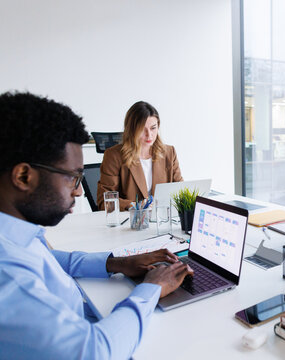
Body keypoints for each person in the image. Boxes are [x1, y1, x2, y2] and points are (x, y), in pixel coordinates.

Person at [0, 92, 194, 359]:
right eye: (73, 177)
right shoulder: (8, 276)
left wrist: (116, 262)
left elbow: (53, 260)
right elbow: (95, 352)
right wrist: (152, 288)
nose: (80, 192)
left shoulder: (18, 237)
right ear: (24, 176)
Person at [97, 101, 183, 210]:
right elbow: (104, 201)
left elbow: (180, 190)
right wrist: (134, 206)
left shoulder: (169, 152)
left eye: (153, 128)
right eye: (142, 129)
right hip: (131, 221)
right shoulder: (114, 156)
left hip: (162, 220)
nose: (149, 135)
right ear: (132, 130)